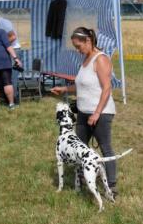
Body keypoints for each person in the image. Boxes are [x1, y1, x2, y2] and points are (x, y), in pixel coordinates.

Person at [50, 27, 121, 196]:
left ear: (88, 41)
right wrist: (65, 89)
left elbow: (106, 89)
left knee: (105, 148)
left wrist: (96, 114)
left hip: (101, 113)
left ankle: (111, 187)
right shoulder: (85, 60)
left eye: (78, 46)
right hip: (82, 113)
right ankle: (82, 180)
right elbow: (82, 85)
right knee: (80, 147)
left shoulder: (101, 59)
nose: (78, 50)